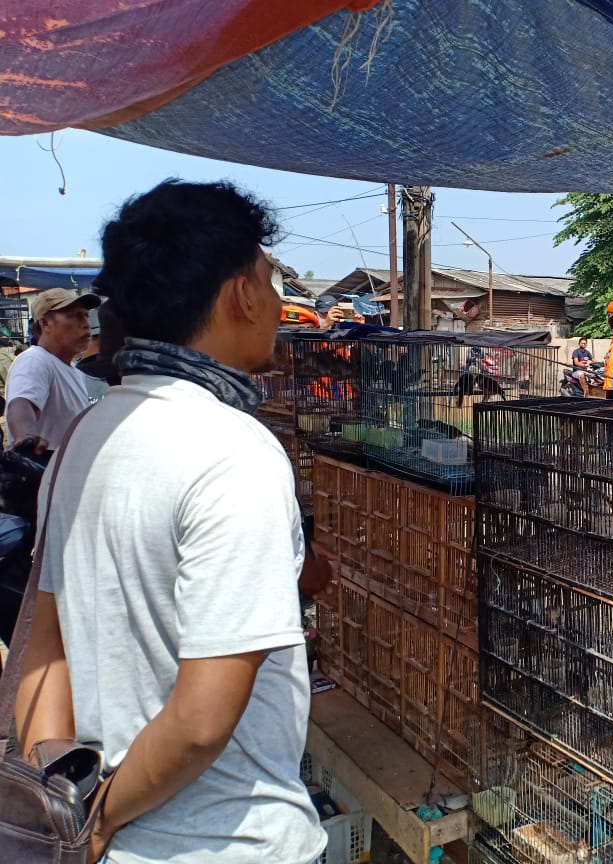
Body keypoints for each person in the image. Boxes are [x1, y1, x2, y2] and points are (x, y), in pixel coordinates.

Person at [14, 180, 327, 862]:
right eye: (270, 281)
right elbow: (200, 719)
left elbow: (45, 643)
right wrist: (101, 819)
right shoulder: (234, 450)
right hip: (228, 843)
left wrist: (66, 803)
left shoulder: (87, 437)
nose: (278, 303)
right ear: (240, 294)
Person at [4, 288, 100, 450]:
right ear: (45, 323)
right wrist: (26, 437)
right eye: (76, 316)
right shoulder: (34, 360)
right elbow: (21, 403)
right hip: (45, 472)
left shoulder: (74, 370)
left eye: (85, 316)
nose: (86, 324)